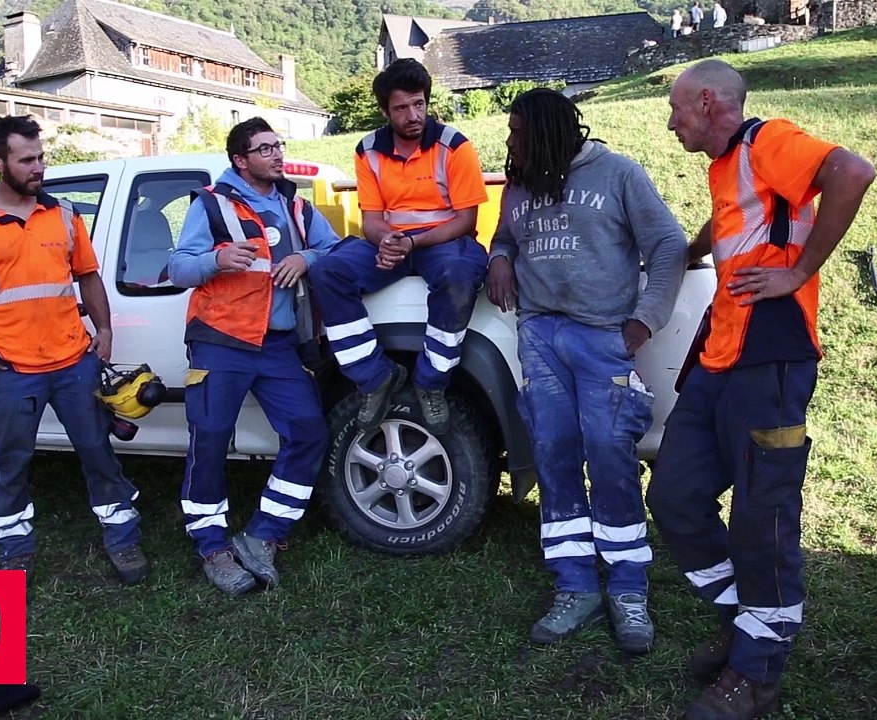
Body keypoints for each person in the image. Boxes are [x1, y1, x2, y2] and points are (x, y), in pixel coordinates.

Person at [651, 60, 875, 720]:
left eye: (677, 111)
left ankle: (757, 674)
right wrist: (691, 250)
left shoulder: (767, 140)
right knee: (674, 496)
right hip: (718, 363)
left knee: (762, 518)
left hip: (770, 362)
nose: (670, 123)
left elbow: (852, 173)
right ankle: (744, 621)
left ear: (710, 102)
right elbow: (733, 226)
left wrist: (799, 271)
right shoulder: (726, 167)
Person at [486, 89, 686, 654]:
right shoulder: (520, 186)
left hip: (602, 338)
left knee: (610, 454)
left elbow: (668, 243)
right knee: (554, 454)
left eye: (520, 133)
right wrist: (499, 258)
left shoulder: (617, 173)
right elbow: (504, 235)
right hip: (540, 339)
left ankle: (626, 588)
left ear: (550, 133)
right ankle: (575, 585)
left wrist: (645, 320)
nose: (511, 142)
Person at [0, 115, 149, 585]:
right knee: (11, 461)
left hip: (74, 364)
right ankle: (14, 548)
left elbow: (87, 275)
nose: (38, 167)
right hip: (10, 370)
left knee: (97, 450)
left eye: (41, 157)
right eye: (27, 160)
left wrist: (104, 328)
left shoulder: (64, 214)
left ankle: (123, 536)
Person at [167, 118, 337, 596]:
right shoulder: (212, 204)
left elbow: (334, 250)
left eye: (278, 145)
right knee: (211, 440)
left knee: (308, 432)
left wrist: (307, 259)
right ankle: (211, 547)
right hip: (221, 340)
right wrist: (216, 260)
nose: (277, 154)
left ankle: (264, 533)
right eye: (265, 149)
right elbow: (178, 266)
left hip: (278, 345)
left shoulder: (296, 206)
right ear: (240, 160)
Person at [309, 59, 489, 436]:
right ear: (385, 111)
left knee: (459, 276)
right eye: (401, 107)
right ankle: (374, 377)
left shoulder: (454, 146)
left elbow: (466, 221)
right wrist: (386, 240)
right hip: (393, 243)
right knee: (327, 271)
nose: (413, 115)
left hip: (443, 241)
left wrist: (411, 241)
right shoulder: (368, 150)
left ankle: (431, 381)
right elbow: (372, 218)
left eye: (419, 104)